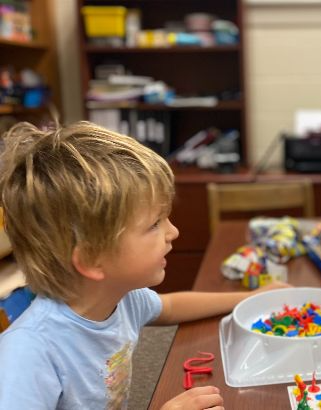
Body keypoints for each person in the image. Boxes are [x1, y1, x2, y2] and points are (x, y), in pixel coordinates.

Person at [0, 121, 291, 409]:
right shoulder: (28, 354)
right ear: (91, 259)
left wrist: (250, 298)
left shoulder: (121, 298)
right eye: (154, 224)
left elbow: (171, 307)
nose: (173, 232)